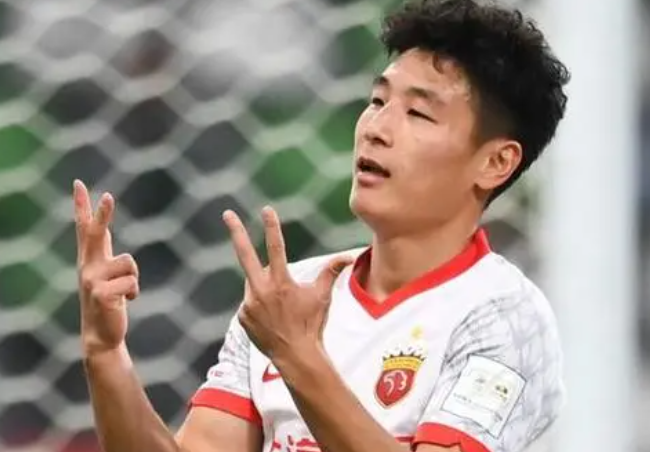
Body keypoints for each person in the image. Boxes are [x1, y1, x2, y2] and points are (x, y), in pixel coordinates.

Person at [73, 0, 570, 451]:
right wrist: (105, 351)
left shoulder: (502, 316)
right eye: (377, 102)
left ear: (496, 162)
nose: (376, 128)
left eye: (418, 113)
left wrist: (295, 354)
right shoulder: (289, 295)